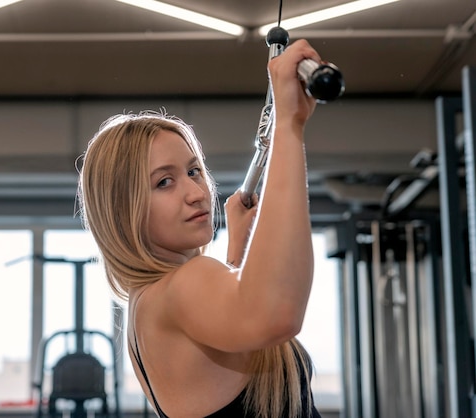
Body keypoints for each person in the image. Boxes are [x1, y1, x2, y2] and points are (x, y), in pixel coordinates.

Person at [77, 38, 321, 418]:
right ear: (124, 210)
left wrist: (237, 252)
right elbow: (278, 313)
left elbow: (231, 342)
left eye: (193, 171)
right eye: (164, 182)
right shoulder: (180, 289)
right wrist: (288, 125)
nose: (196, 193)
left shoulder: (146, 306)